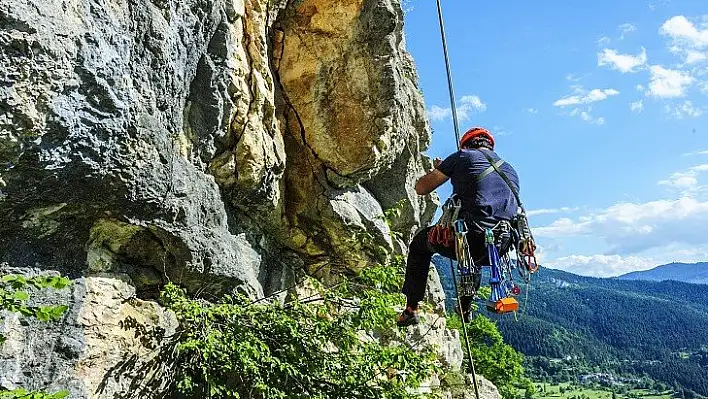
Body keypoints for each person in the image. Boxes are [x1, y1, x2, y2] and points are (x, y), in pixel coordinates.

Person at [397, 126, 521, 327]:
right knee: (474, 256)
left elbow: (421, 188)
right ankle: (465, 308)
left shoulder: (462, 157)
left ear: (466, 144)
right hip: (502, 244)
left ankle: (411, 308)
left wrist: (443, 168)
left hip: (472, 238)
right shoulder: (510, 170)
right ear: (489, 145)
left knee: (421, 245)